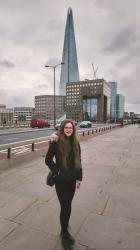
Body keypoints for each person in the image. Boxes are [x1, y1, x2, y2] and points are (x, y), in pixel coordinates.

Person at [45, 119, 82, 248]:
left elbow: (79, 161)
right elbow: (48, 159)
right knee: (65, 206)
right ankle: (65, 234)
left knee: (68, 206)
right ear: (62, 128)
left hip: (72, 180)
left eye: (70, 128)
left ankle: (64, 229)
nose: (68, 129)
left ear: (73, 129)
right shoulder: (56, 142)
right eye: (66, 127)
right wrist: (57, 171)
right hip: (61, 181)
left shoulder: (76, 142)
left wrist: (79, 178)